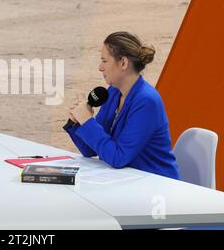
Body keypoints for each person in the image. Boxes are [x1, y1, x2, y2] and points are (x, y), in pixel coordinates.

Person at [65, 31, 180, 179]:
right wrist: (77, 123)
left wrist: (87, 122)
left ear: (123, 63)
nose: (100, 67)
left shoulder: (147, 101)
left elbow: (118, 157)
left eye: (104, 61)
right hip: (129, 180)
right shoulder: (113, 92)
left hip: (157, 185)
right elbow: (90, 149)